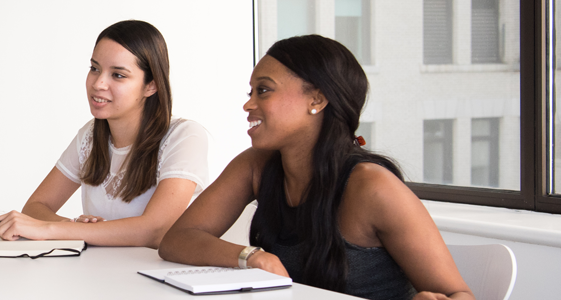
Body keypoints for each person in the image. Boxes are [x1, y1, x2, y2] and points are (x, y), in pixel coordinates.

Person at [157, 35, 473, 300]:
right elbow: (178, 239)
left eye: (263, 90)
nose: (249, 104)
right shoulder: (256, 165)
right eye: (250, 92)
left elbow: (460, 294)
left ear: (317, 100)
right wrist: (251, 257)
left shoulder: (373, 187)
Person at [0, 20, 209, 248]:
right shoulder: (90, 135)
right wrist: (76, 226)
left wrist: (61, 230)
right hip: (99, 275)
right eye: (95, 68)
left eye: (118, 75)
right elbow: (36, 206)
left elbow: (154, 230)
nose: (98, 83)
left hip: (154, 278)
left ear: (151, 86)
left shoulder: (184, 136)